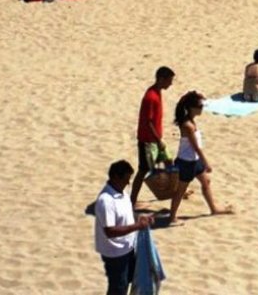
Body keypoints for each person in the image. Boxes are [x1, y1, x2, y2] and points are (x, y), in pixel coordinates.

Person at [167, 91, 233, 223]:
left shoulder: (190, 121)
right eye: (200, 106)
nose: (202, 109)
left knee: (206, 182)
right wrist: (206, 162)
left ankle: (213, 208)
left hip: (194, 160)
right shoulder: (188, 125)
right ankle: (172, 216)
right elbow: (195, 146)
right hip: (186, 162)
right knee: (181, 190)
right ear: (192, 108)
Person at [94, 160, 155, 295]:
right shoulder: (106, 201)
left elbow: (127, 213)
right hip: (115, 253)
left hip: (128, 248)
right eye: (126, 179)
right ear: (116, 177)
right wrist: (137, 226)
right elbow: (110, 231)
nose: (128, 183)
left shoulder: (123, 193)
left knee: (128, 281)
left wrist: (140, 219)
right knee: (118, 287)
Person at [130, 66, 175, 208]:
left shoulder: (157, 92)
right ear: (161, 79)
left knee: (169, 162)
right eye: (169, 80)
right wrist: (158, 140)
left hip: (155, 140)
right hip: (147, 141)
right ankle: (132, 201)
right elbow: (148, 122)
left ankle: (173, 190)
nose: (171, 84)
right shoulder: (151, 97)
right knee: (143, 170)